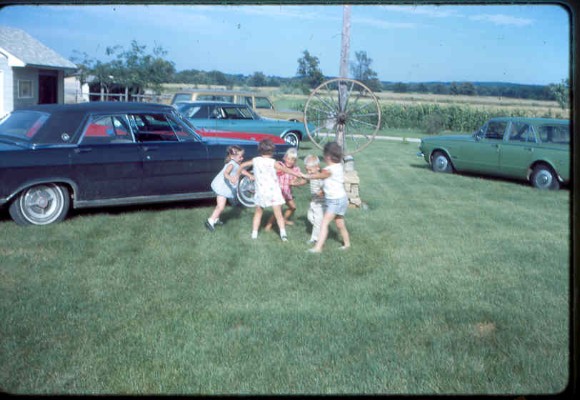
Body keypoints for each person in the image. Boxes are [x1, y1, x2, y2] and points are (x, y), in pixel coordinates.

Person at [237, 139, 303, 241]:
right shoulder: (273, 162)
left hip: (260, 192)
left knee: (258, 213)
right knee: (279, 214)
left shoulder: (255, 160)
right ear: (272, 151)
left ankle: (254, 234)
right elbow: (285, 169)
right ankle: (283, 234)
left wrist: (237, 175)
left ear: (260, 150)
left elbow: (241, 165)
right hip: (273, 192)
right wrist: (297, 174)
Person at [303, 142, 350, 253]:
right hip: (342, 199)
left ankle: (318, 248)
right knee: (339, 223)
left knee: (324, 223)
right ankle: (347, 244)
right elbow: (331, 182)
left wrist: (306, 175)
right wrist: (322, 190)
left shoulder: (328, 169)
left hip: (335, 201)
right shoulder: (339, 166)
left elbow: (321, 175)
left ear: (327, 156)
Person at [205, 145, 244, 232]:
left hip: (224, 187)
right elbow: (226, 174)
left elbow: (242, 170)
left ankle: (216, 219)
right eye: (240, 156)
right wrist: (231, 178)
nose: (242, 158)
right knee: (221, 206)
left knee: (220, 205)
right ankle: (210, 221)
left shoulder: (236, 163)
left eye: (242, 156)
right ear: (232, 157)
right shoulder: (231, 164)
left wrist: (250, 176)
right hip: (221, 187)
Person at [265, 147, 305, 230]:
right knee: (278, 210)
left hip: (287, 192)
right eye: (289, 159)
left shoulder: (296, 169)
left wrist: (295, 182)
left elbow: (297, 180)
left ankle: (284, 220)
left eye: (293, 160)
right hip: (278, 192)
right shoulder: (280, 165)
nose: (290, 161)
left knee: (293, 207)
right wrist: (277, 171)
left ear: (295, 161)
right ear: (285, 158)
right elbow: (273, 171)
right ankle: (268, 226)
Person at [303, 154, 325, 244]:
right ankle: (322, 227)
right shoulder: (311, 176)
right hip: (313, 202)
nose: (309, 172)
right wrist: (295, 183)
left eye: (310, 170)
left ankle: (314, 239)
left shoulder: (320, 178)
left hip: (321, 203)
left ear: (317, 167)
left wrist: (321, 192)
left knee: (317, 221)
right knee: (310, 217)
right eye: (307, 170)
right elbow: (305, 180)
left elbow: (326, 188)